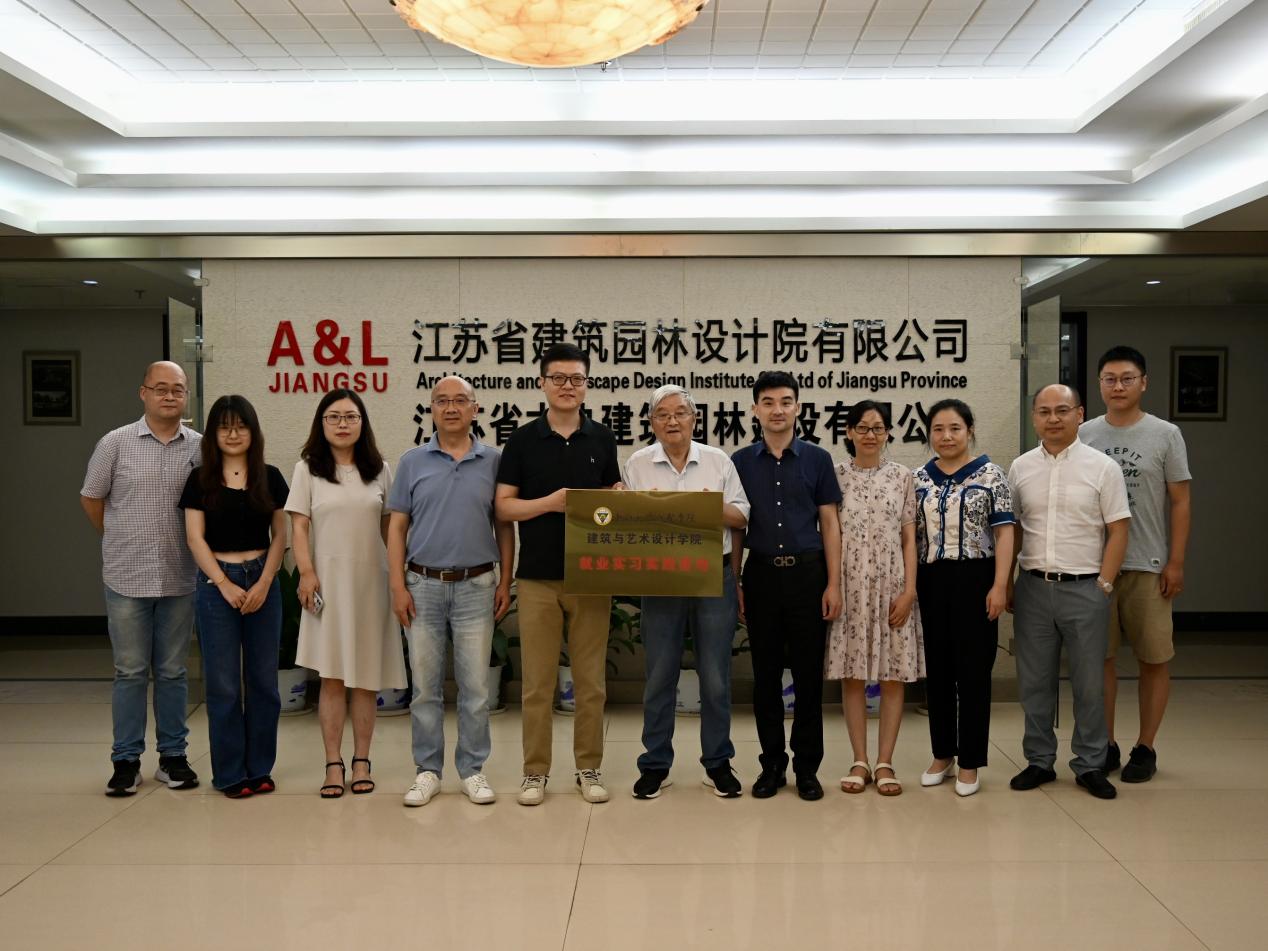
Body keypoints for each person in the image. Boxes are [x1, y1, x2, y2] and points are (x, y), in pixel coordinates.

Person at [495, 343, 623, 806]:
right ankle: (535, 772)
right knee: (537, 684)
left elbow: (611, 498)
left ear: (586, 385)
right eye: (559, 378)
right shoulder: (522, 440)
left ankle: (589, 767)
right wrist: (549, 503)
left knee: (590, 684)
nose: (568, 386)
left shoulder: (603, 438)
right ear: (542, 383)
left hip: (592, 576)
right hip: (537, 577)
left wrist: (618, 495)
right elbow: (504, 507)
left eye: (576, 378)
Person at [387, 376, 514, 807]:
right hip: (421, 585)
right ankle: (427, 770)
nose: (451, 407)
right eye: (442, 401)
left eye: (461, 400)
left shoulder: (493, 461)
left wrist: (506, 579)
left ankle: (472, 770)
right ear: (432, 408)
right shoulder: (412, 462)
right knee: (425, 688)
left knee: (476, 688)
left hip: (478, 585)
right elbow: (397, 527)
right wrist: (397, 584)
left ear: (476, 409)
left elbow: (504, 526)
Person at [81, 361, 202, 797]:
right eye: (161, 388)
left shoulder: (200, 448)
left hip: (180, 577)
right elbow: (92, 498)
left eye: (177, 390)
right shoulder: (115, 443)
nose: (170, 396)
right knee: (130, 672)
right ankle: (126, 761)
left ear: (186, 395)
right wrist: (120, 537)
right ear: (143, 393)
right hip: (127, 577)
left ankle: (173, 757)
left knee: (172, 672)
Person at [623, 385, 751, 799]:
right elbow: (627, 523)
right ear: (651, 423)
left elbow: (741, 517)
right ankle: (655, 764)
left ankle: (718, 763)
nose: (672, 420)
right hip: (660, 576)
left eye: (680, 412)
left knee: (715, 677)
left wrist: (704, 507)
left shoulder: (717, 460)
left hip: (713, 573)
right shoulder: (638, 463)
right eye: (662, 414)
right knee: (660, 673)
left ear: (695, 419)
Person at [1007, 384, 1130, 800]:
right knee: (1034, 683)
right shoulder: (1021, 467)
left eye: (1062, 410)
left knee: (1089, 684)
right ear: (1034, 418)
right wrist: (1008, 581)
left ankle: (1090, 763)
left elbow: (1119, 530)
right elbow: (1014, 530)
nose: (1053, 419)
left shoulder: (1103, 467)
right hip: (1033, 588)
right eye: (1044, 411)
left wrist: (1105, 585)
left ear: (1080, 414)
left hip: (1086, 589)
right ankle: (1039, 760)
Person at [285, 389, 406, 798]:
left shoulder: (380, 469)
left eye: (351, 417)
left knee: (366, 680)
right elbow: (299, 526)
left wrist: (399, 578)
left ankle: (362, 761)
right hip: (327, 584)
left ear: (362, 423)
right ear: (321, 423)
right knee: (333, 678)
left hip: (372, 583)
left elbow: (391, 529)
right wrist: (306, 573)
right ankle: (333, 763)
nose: (342, 424)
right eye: (333, 417)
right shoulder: (307, 469)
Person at [1081, 346, 1191, 783]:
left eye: (1127, 378)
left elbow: (1180, 501)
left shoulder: (1165, 434)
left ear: (1143, 383)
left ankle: (1145, 747)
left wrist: (1175, 561)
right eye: (1109, 379)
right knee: (1100, 660)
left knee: (1154, 658)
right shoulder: (1084, 433)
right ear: (1099, 384)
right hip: (1095, 567)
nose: (1118, 386)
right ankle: (1105, 744)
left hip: (1148, 563)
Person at [731, 371, 842, 801]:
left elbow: (830, 523)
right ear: (755, 409)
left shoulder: (817, 459)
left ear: (798, 407)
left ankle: (807, 768)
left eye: (785, 401)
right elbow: (737, 526)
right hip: (760, 575)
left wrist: (834, 584)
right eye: (768, 402)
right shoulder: (741, 461)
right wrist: (737, 580)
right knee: (765, 677)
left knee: (808, 677)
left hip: (808, 576)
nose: (777, 410)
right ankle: (772, 765)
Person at [180, 395, 289, 798]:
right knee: (223, 684)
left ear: (253, 431)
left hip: (263, 579)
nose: (232, 434)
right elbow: (195, 538)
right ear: (212, 434)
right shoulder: (199, 480)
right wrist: (223, 583)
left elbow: (281, 534)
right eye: (224, 426)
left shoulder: (270, 477)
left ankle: (259, 768)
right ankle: (229, 773)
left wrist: (264, 582)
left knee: (263, 681)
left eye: (240, 426)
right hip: (216, 585)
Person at [912, 399, 1015, 797]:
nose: (946, 436)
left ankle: (970, 760)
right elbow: (912, 538)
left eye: (954, 428)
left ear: (969, 430)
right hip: (931, 580)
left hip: (977, 579)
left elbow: (1004, 533)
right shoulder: (919, 478)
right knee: (937, 671)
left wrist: (1000, 585)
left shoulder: (992, 475)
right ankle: (943, 754)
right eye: (938, 429)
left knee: (973, 672)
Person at [827, 400, 922, 797]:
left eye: (878, 428)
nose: (870, 434)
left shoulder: (902, 476)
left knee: (892, 674)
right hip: (850, 586)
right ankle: (859, 759)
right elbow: (829, 532)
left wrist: (909, 590)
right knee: (852, 673)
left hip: (892, 585)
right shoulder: (834, 476)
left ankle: (884, 761)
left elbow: (909, 538)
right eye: (863, 427)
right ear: (848, 432)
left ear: (887, 433)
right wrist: (833, 585)